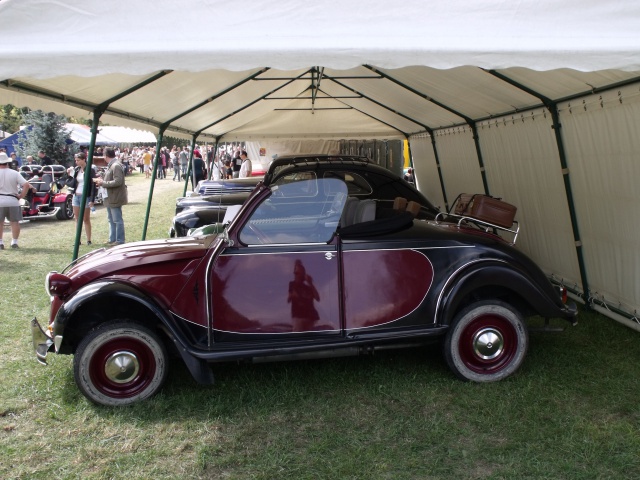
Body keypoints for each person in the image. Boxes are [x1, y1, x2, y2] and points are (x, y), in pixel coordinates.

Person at [0, 152, 35, 249]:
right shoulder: (14, 173)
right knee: (14, 222)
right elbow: (26, 184)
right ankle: (14, 241)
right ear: (7, 162)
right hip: (13, 200)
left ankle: (0, 242)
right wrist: (21, 196)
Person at [94, 148, 127, 246]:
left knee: (117, 219)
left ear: (105, 156)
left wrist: (103, 183)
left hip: (114, 196)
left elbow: (118, 181)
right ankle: (112, 239)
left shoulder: (115, 165)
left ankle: (120, 240)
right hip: (109, 196)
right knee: (111, 219)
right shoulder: (112, 165)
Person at [68, 152, 96, 245]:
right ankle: (78, 240)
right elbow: (72, 183)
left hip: (86, 196)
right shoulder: (76, 170)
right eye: (75, 160)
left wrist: (92, 199)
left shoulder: (90, 170)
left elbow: (93, 185)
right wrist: (69, 175)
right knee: (77, 218)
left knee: (86, 219)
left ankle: (88, 240)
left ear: (84, 160)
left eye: (78, 160)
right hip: (76, 195)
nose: (76, 162)